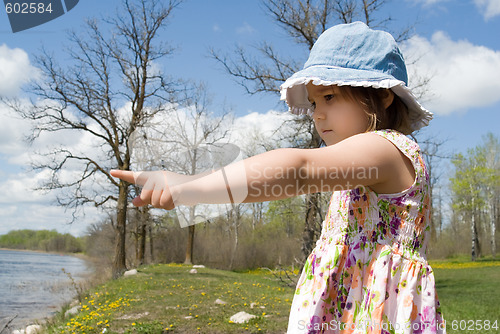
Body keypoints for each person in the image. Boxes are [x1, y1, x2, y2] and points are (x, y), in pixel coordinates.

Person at [111, 22, 445, 333]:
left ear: (382, 95)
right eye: (313, 103)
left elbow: (297, 170)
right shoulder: (361, 164)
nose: (319, 113)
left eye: (330, 97)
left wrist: (191, 186)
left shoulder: (386, 150)